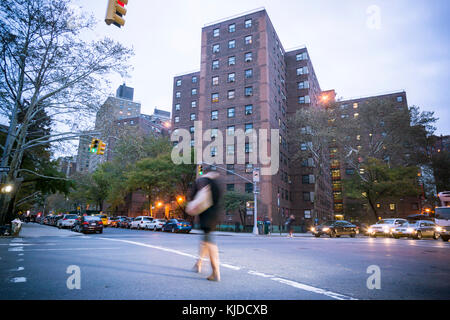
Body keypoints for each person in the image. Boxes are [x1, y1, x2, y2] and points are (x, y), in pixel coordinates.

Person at [188, 169, 222, 282]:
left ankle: (215, 272)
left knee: (210, 242)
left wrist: (193, 205)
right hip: (214, 215)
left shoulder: (202, 181)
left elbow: (193, 196)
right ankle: (199, 263)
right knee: (206, 241)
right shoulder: (216, 184)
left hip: (206, 216)